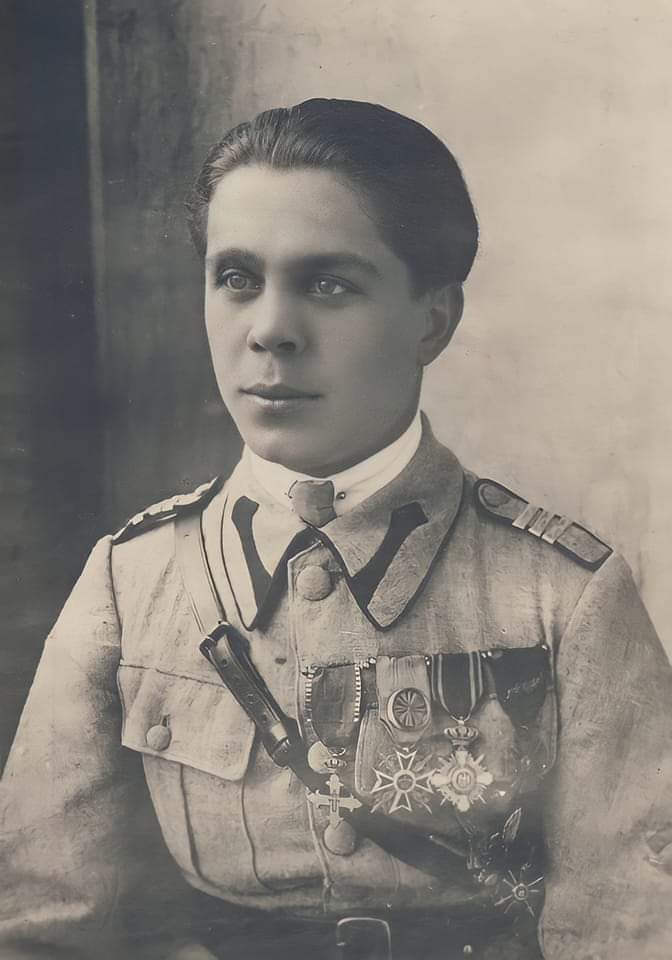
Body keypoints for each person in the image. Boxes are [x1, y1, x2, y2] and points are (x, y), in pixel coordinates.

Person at [1, 98, 671, 960]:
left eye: (328, 285)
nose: (270, 331)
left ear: (433, 321)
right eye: (236, 278)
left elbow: (633, 928)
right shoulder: (130, 581)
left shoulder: (562, 597)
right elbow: (43, 927)